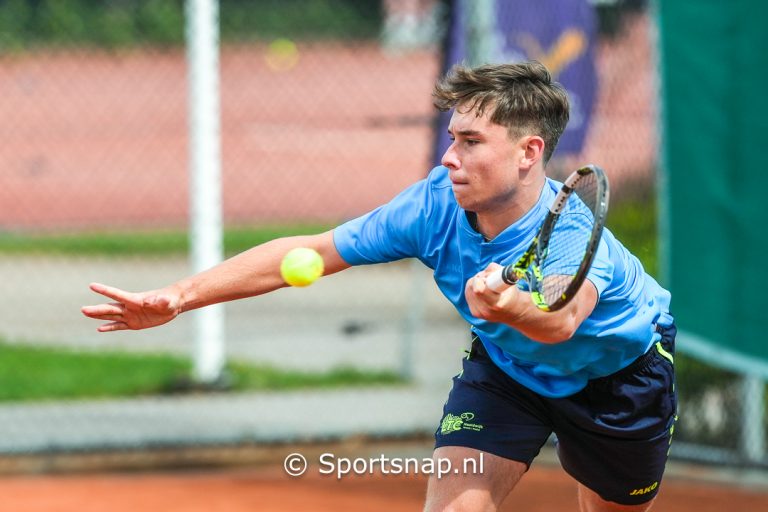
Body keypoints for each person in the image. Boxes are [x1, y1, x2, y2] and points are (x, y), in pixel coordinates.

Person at [82, 61, 675, 512]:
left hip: (618, 381)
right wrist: (180, 296)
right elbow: (312, 252)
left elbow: (560, 322)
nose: (449, 157)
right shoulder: (431, 206)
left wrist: (510, 305)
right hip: (508, 374)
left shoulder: (572, 231)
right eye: (451, 138)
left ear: (529, 152)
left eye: (471, 142)